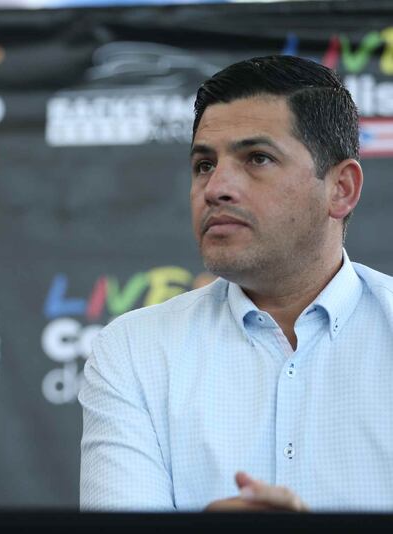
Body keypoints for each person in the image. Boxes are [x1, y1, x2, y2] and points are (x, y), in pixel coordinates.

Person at [78, 55, 393, 512]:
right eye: (204, 164)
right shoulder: (133, 350)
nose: (216, 188)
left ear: (341, 189)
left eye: (257, 158)